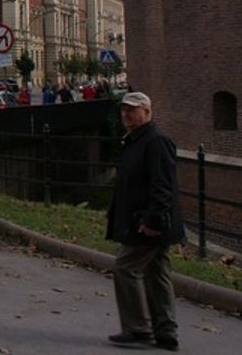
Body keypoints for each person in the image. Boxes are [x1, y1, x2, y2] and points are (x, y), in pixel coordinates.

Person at [106, 92, 184, 351]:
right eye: (124, 111)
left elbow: (162, 186)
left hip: (148, 224)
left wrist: (153, 220)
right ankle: (165, 331)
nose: (127, 115)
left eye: (133, 110)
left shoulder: (155, 141)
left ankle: (139, 329)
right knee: (157, 272)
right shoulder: (138, 141)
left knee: (125, 267)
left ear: (147, 112)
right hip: (145, 220)